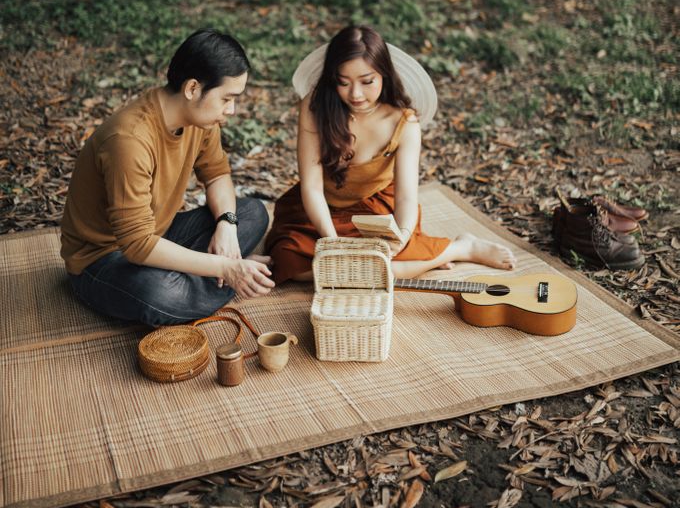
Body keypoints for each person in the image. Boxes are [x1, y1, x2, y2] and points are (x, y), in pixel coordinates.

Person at [265, 24, 516, 282]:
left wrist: (402, 238)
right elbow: (312, 187)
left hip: (376, 211)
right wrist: (332, 243)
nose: (356, 94)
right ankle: (423, 257)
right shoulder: (315, 105)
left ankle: (461, 248)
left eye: (367, 81)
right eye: (343, 82)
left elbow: (406, 198)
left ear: (384, 74)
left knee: (384, 269)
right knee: (289, 262)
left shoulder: (404, 121)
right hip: (320, 209)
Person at [61, 29, 274, 326]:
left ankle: (206, 278)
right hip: (102, 259)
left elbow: (217, 175)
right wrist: (225, 268)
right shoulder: (129, 140)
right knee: (161, 294)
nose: (232, 109)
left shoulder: (202, 120)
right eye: (227, 98)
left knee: (253, 213)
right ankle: (221, 277)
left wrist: (226, 223)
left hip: (159, 232)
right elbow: (136, 245)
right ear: (192, 89)